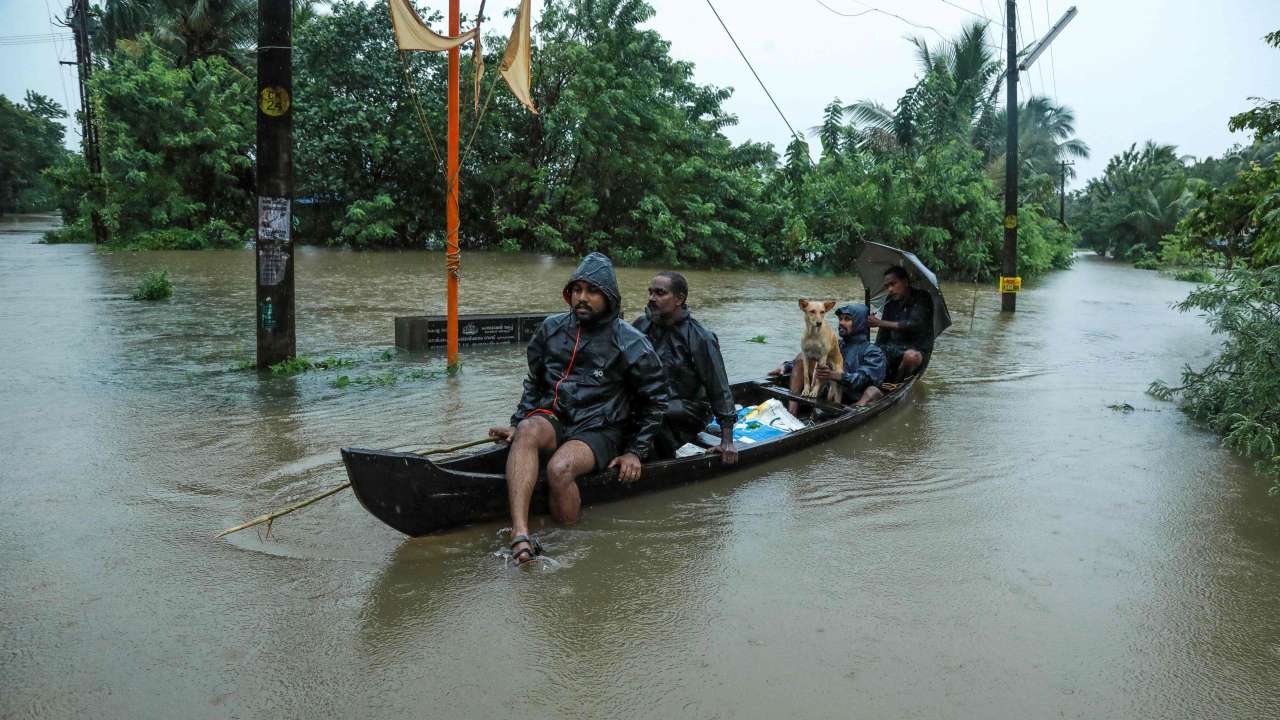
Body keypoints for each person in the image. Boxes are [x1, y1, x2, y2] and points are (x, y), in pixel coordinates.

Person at [488, 253, 669, 565]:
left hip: (600, 428)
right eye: (577, 289)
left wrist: (635, 451)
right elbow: (535, 381)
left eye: (592, 291)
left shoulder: (631, 342)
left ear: (608, 297)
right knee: (529, 430)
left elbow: (656, 400)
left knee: (559, 469)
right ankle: (520, 533)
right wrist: (518, 422)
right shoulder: (551, 329)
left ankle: (570, 547)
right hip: (556, 418)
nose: (582, 298)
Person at [632, 272, 738, 464]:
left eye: (659, 293)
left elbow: (719, 389)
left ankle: (657, 460)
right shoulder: (641, 325)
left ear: (679, 299)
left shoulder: (701, 338)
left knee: (655, 413)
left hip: (688, 408)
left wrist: (727, 441)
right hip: (652, 400)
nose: (651, 298)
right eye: (650, 292)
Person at [770, 303, 887, 410]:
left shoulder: (873, 352)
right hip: (827, 392)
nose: (841, 322)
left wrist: (836, 375)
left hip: (854, 398)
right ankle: (792, 411)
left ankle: (846, 414)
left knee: (873, 391)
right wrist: (785, 367)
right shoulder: (836, 343)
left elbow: (864, 379)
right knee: (801, 357)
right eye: (840, 319)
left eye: (847, 319)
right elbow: (809, 357)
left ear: (860, 323)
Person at [868, 265, 933, 381]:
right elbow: (882, 336)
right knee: (869, 351)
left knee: (911, 357)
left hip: (916, 349)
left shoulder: (922, 298)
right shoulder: (889, 302)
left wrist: (879, 322)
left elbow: (914, 324)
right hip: (893, 348)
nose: (890, 289)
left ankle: (897, 384)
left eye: (893, 284)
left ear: (906, 282)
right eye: (887, 286)